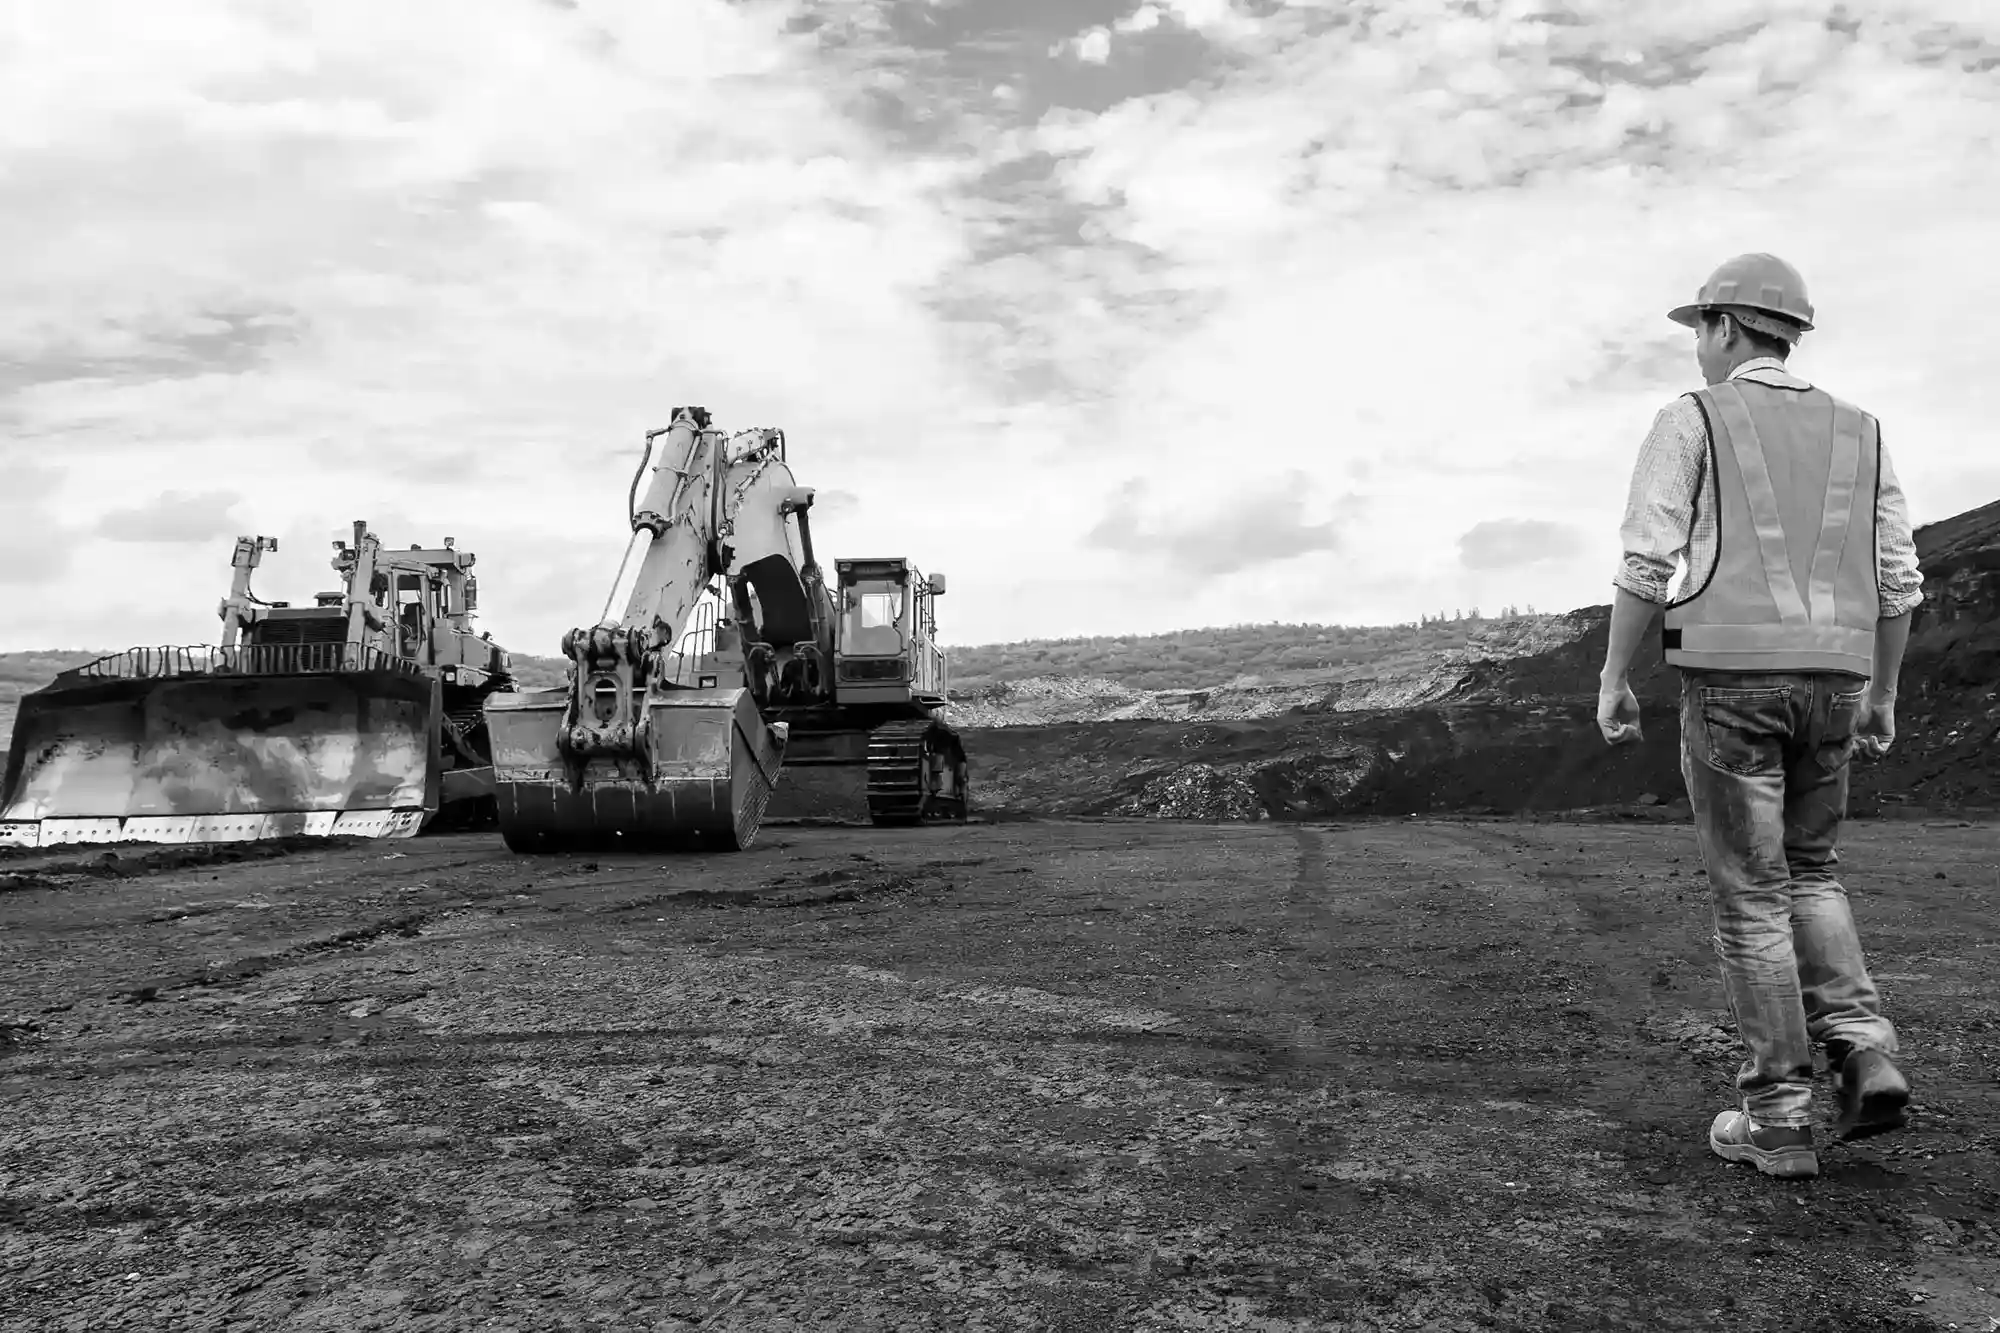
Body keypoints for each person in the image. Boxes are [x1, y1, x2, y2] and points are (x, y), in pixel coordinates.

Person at [1595, 253, 1925, 1180]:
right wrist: (1884, 692)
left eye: (1698, 329)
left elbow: (1645, 563)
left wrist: (1617, 674)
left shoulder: (1691, 416)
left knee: (1751, 895)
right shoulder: (1861, 429)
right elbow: (1898, 576)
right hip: (1836, 681)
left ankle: (1778, 1115)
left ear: (1726, 327)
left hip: (1732, 684)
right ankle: (1862, 1048)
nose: (1696, 348)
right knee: (1813, 872)